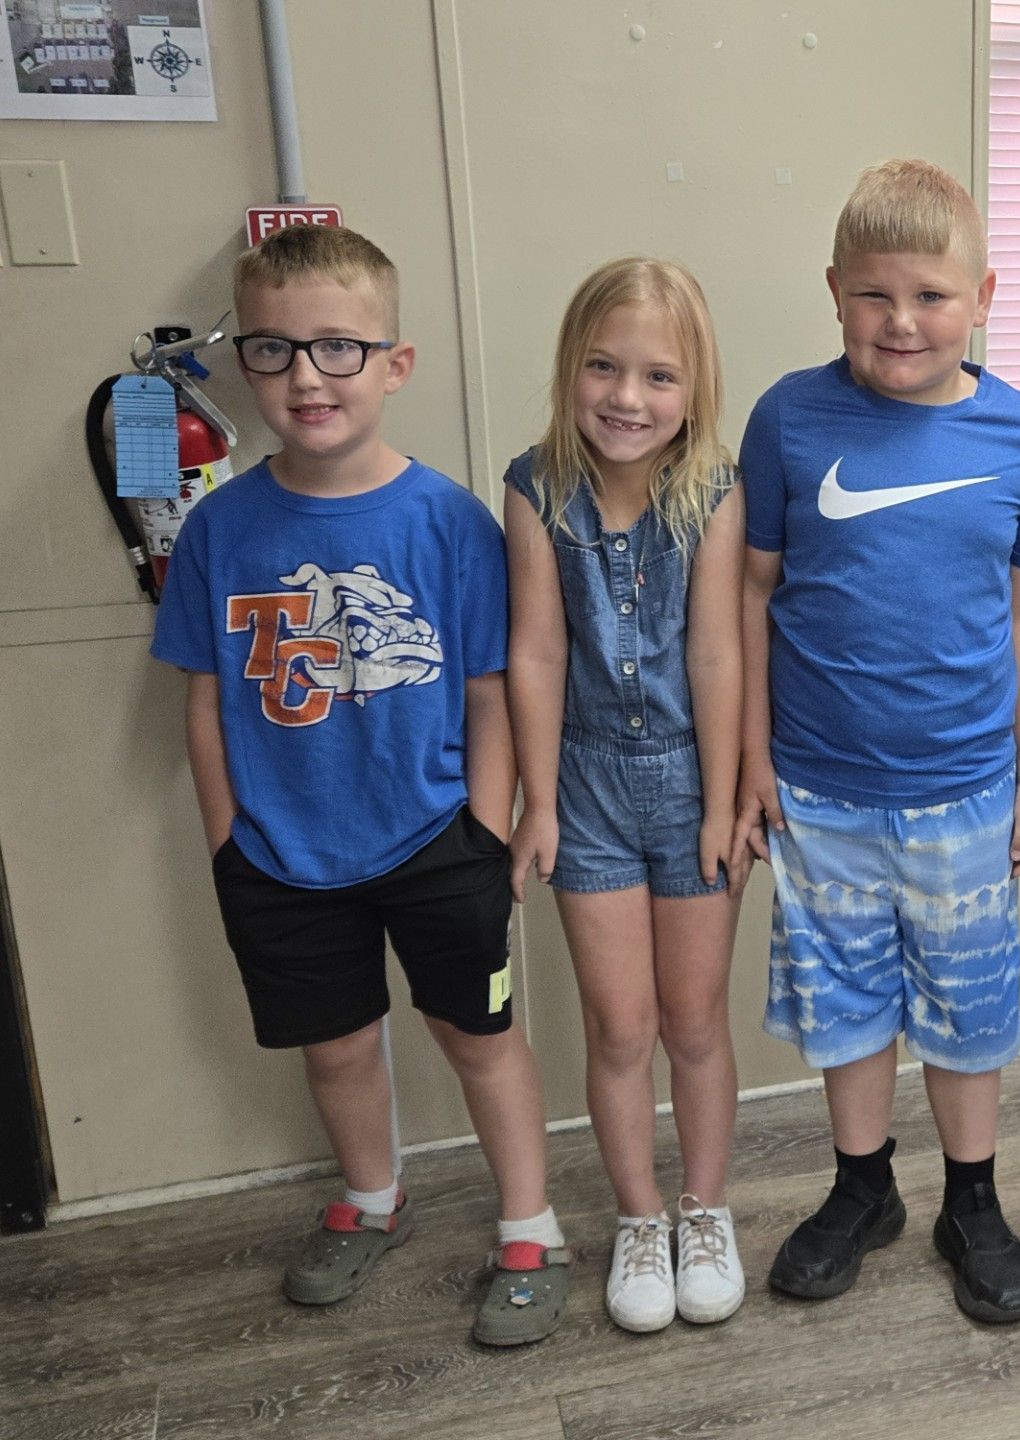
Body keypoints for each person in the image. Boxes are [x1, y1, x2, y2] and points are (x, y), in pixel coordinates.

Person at [150, 223, 569, 1346]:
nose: (306, 377)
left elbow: (491, 693)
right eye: (274, 349)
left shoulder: (450, 522)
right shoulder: (220, 528)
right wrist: (226, 837)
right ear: (245, 365)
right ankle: (372, 1198)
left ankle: (531, 1226)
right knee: (334, 1045)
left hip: (436, 840)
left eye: (339, 347)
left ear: (396, 364)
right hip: (277, 851)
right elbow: (203, 696)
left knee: (477, 1036)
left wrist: (484, 833)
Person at [734, 159, 1020, 1323]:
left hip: (967, 791)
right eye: (875, 295)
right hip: (819, 790)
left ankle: (971, 1201)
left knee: (967, 1010)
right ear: (835, 291)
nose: (902, 321)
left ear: (982, 296)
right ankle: (862, 1187)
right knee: (847, 1000)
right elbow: (752, 595)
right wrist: (755, 759)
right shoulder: (787, 418)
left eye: (931, 296)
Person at [502, 257, 748, 1332]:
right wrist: (540, 802)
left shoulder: (716, 492)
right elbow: (537, 652)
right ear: (571, 368)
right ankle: (641, 1219)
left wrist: (723, 803)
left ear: (694, 389)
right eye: (604, 367)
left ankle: (706, 1209)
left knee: (693, 1022)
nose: (627, 398)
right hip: (587, 784)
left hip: (692, 782)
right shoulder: (534, 489)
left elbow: (718, 655)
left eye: (658, 376)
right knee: (620, 1027)